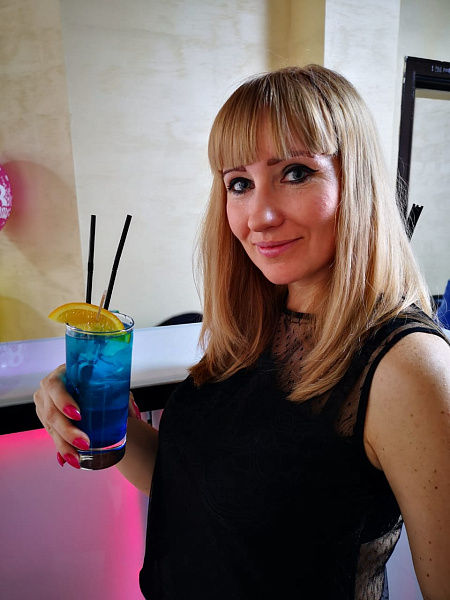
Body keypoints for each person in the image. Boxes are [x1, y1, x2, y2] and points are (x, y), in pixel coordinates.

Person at [34, 65, 450, 600]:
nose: (260, 215)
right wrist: (106, 425)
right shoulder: (254, 326)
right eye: (239, 184)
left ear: (357, 182)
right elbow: (200, 491)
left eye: (295, 172)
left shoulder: (407, 366)